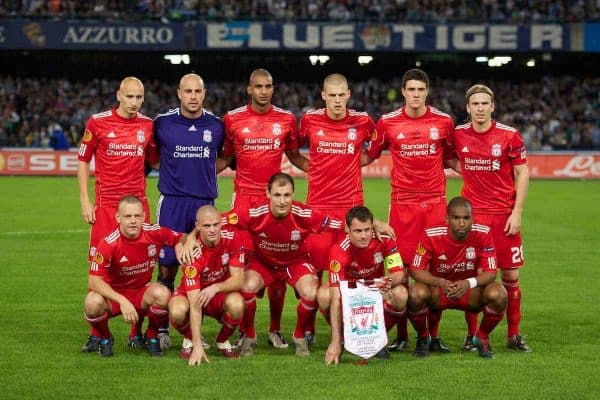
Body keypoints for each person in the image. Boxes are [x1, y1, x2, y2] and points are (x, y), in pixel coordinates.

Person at [364, 68, 455, 353]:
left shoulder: (443, 122)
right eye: (410, 90)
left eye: (420, 90)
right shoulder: (388, 122)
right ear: (403, 92)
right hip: (402, 207)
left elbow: (452, 158)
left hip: (435, 205)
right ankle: (402, 336)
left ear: (427, 91)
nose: (415, 95)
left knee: (434, 271)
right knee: (400, 273)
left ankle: (432, 335)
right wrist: (337, 159)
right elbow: (370, 155)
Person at [219, 69, 301, 350]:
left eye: (268, 86)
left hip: (273, 204)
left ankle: (275, 330)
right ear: (248, 89)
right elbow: (225, 158)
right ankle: (247, 331)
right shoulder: (232, 119)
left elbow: (294, 156)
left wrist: (328, 170)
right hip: (242, 203)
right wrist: (192, 171)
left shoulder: (287, 119)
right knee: (242, 270)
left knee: (277, 267)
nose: (264, 91)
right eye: (258, 86)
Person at [295, 73, 378, 343]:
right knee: (314, 271)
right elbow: (292, 150)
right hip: (318, 208)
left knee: (350, 269)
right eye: (332, 95)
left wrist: (353, 163)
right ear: (323, 96)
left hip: (351, 208)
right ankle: (306, 328)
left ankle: (355, 326)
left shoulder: (363, 121)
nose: (337, 100)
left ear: (349, 94)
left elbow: (374, 150)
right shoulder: (309, 120)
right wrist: (312, 168)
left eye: (342, 95)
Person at [450, 84, 531, 352]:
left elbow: (523, 173)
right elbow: (448, 158)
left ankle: (514, 335)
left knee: (510, 275)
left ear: (492, 106)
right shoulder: (459, 134)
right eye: (476, 104)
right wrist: (470, 174)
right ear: (468, 108)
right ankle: (472, 336)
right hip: (472, 219)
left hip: (503, 217)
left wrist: (517, 212)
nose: (480, 108)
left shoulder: (509, 136)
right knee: (473, 276)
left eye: (485, 104)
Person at [78, 76, 157, 352]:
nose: (134, 102)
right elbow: (83, 160)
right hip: (106, 207)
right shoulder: (97, 122)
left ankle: (137, 331)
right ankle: (98, 333)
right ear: (119, 95)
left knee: (141, 267)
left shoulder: (148, 126)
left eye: (139, 97)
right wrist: (85, 201)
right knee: (100, 269)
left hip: (138, 208)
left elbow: (156, 160)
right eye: (130, 96)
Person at [151, 73, 225, 350]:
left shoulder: (216, 126)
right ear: (179, 93)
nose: (193, 96)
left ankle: (192, 329)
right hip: (172, 203)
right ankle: (160, 329)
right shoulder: (163, 123)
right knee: (168, 266)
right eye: (188, 91)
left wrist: (203, 175)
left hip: (204, 205)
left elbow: (225, 156)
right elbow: (152, 156)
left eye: (198, 91)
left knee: (202, 268)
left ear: (204, 93)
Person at [82, 195, 185, 357]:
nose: (133, 221)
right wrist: (122, 301)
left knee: (164, 294)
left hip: (140, 293)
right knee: (92, 303)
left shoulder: (153, 232)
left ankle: (151, 335)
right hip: (115, 297)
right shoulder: (108, 243)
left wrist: (179, 245)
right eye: (127, 216)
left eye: (137, 216)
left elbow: (182, 237)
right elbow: (94, 281)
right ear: (118, 218)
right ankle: (105, 337)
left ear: (143, 216)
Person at [408, 197, 507, 358]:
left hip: (469, 293)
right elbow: (415, 269)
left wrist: (469, 283)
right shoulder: (431, 234)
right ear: (447, 219)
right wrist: (440, 282)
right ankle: (423, 337)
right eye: (456, 218)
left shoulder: (483, 233)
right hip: (439, 291)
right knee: (415, 293)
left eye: (466, 218)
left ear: (472, 218)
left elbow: (491, 271)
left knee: (499, 293)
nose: (462, 223)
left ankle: (480, 338)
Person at [322, 206, 408, 365]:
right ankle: (342, 339)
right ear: (347, 229)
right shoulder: (339, 250)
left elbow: (399, 273)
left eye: (367, 230)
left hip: (375, 290)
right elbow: (335, 297)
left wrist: (390, 282)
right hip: (351, 294)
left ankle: (378, 342)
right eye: (358, 231)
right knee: (324, 295)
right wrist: (334, 341)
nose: (363, 236)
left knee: (401, 293)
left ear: (373, 227)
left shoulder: (384, 240)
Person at [168, 206, 245, 365]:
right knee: (177, 311)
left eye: (216, 224)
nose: (212, 230)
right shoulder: (191, 255)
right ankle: (190, 338)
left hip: (217, 292)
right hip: (192, 293)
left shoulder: (232, 238)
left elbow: (239, 280)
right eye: (206, 226)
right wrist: (197, 346)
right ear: (197, 226)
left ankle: (222, 341)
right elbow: (195, 304)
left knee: (237, 304)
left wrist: (215, 288)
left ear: (222, 222)